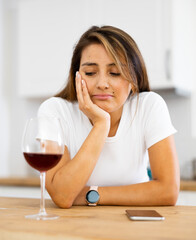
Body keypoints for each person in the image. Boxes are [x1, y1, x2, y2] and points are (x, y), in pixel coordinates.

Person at [38, 25, 180, 208]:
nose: (102, 83)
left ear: (134, 80)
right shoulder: (54, 111)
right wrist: (101, 125)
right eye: (90, 73)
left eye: (115, 73)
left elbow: (168, 191)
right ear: (76, 76)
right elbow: (63, 196)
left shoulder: (149, 106)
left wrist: (92, 194)